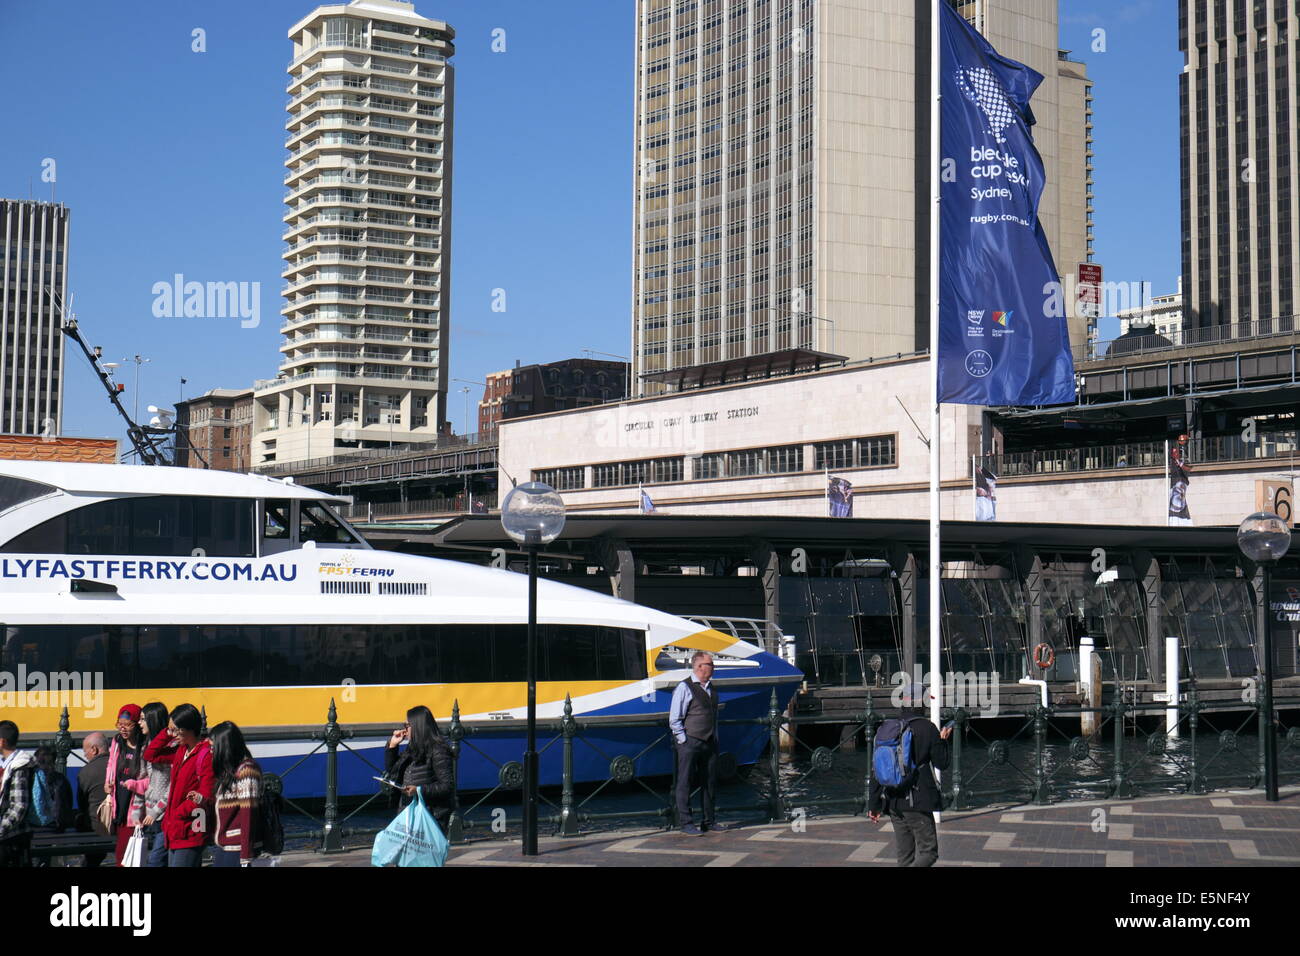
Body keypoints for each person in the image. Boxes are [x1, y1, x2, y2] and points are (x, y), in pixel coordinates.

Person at [867, 684, 953, 867]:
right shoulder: (927, 728)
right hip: (918, 801)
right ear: (921, 703)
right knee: (929, 852)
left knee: (904, 858)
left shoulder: (888, 728)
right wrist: (943, 741)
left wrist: (874, 805)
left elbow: (876, 769)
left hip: (893, 802)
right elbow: (941, 763)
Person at [142, 703, 213, 868]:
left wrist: (177, 814)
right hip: (175, 829)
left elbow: (206, 794)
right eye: (170, 729)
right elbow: (150, 754)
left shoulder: (205, 755)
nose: (172, 734)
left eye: (175, 730)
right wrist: (166, 733)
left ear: (188, 729)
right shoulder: (181, 751)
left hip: (191, 828)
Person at [669, 651, 726, 836]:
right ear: (699, 666)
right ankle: (686, 823)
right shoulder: (684, 688)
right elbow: (674, 719)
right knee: (685, 782)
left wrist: (715, 737)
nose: (713, 668)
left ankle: (709, 821)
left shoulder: (712, 688)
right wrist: (684, 740)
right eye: (710, 664)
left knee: (709, 782)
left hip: (709, 742)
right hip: (690, 741)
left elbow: (713, 716)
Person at [384, 705, 454, 836]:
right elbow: (393, 770)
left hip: (429, 816)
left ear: (418, 726)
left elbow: (447, 786)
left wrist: (419, 790)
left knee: (420, 856)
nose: (405, 729)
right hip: (408, 813)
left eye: (407, 725)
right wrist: (392, 746)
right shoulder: (413, 748)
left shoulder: (439, 750)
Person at [122, 702, 170, 867]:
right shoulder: (145, 748)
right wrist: (136, 814)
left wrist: (156, 811)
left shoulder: (170, 747)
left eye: (143, 719)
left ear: (153, 720)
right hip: (151, 818)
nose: (139, 723)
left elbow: (173, 785)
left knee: (155, 861)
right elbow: (142, 783)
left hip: (165, 815)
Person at [209, 721, 263, 867]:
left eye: (213, 747)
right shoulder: (230, 771)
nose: (211, 751)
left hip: (238, 848)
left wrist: (246, 857)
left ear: (224, 747)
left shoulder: (246, 771)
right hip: (225, 845)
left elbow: (248, 814)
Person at [106, 703, 146, 865]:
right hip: (118, 803)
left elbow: (151, 780)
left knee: (125, 853)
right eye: (119, 724)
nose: (122, 729)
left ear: (136, 725)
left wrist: (134, 785)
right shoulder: (117, 742)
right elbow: (111, 763)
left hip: (135, 806)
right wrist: (107, 781)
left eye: (127, 725)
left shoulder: (144, 747)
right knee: (122, 849)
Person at [0, 720, 35, 866]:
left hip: (12, 838)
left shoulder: (20, 766)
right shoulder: (6, 764)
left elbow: (19, 806)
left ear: (2, 742)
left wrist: (1, 829)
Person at [75, 732, 110, 867]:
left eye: (85, 753)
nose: (86, 756)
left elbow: (82, 804)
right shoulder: (121, 765)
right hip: (121, 826)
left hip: (97, 828)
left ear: (94, 749)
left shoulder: (85, 772)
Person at [31, 746, 74, 833]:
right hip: (58, 827)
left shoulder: (31, 778)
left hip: (35, 827)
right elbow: (69, 803)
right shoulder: (61, 779)